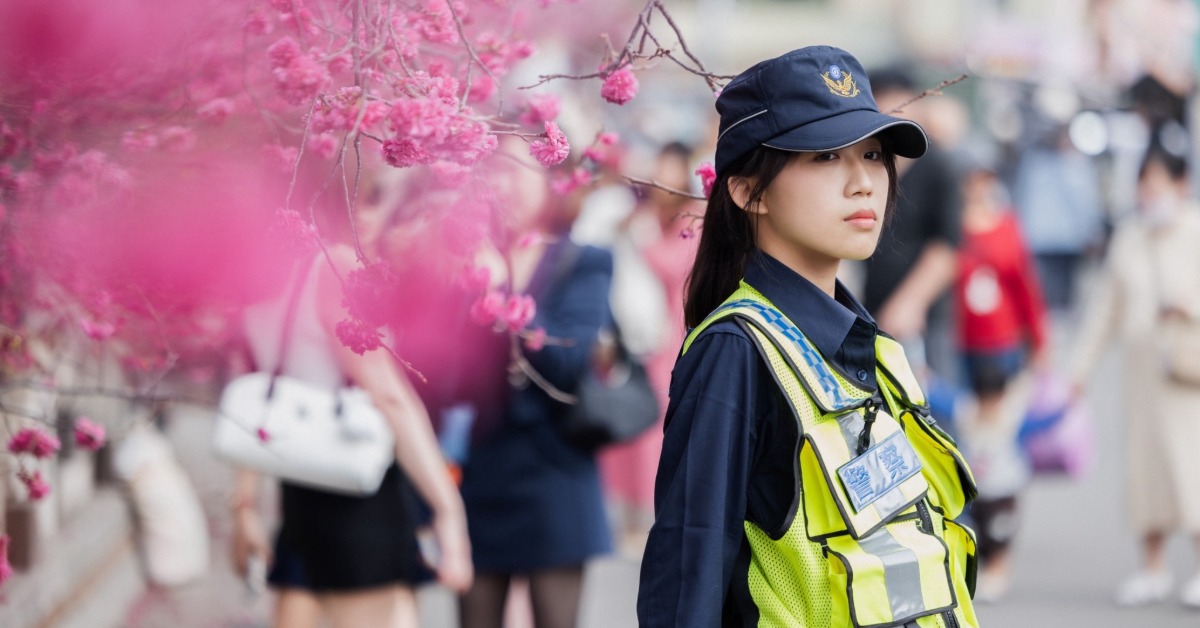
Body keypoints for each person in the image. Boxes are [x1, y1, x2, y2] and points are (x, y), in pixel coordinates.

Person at [637, 46, 979, 627]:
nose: (863, 182)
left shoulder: (869, 344)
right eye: (824, 156)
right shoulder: (736, 351)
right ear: (750, 192)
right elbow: (687, 572)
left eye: (873, 155)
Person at [228, 165, 474, 628]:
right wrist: (448, 510)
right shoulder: (336, 268)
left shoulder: (264, 276)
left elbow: (253, 397)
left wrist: (244, 506)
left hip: (299, 501)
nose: (370, 213)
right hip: (360, 506)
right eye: (370, 195)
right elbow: (389, 397)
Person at [455, 138, 614, 628]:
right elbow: (448, 375)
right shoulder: (469, 263)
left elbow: (567, 364)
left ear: (552, 182)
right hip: (483, 472)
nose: (504, 187)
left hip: (555, 471)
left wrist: (501, 291)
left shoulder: (585, 261)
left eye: (517, 173)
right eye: (495, 173)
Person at [1069, 142, 1200, 608]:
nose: (1149, 193)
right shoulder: (1130, 235)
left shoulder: (1194, 230)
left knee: (1192, 467)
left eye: (1158, 182)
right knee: (1145, 470)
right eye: (1144, 183)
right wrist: (1079, 369)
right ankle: (1152, 567)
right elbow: (1105, 308)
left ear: (1181, 184)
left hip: (1190, 375)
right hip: (1142, 375)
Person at [953, 155, 1049, 603]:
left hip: (1003, 343)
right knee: (963, 430)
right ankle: (972, 517)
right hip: (960, 346)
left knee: (1002, 429)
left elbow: (1025, 285)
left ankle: (1001, 509)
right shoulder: (953, 226)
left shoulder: (1007, 226)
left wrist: (1039, 339)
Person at [601, 140, 700, 555]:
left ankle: (649, 514)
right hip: (642, 336)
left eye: (671, 169)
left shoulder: (695, 218)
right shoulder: (645, 218)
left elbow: (675, 265)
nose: (663, 178)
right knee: (630, 416)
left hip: (675, 336)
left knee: (656, 422)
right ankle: (628, 513)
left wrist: (639, 238)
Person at [862, 66, 964, 385]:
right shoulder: (867, 164)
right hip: (871, 308)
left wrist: (911, 302)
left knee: (930, 410)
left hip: (924, 319)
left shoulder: (938, 166)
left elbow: (948, 246)